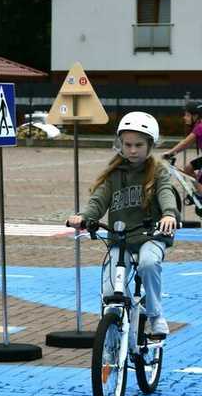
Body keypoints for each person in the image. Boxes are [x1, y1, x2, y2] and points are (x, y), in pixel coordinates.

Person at [67, 111, 177, 337]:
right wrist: (84, 217)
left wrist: (168, 215)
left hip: (151, 236)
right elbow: (98, 200)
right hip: (121, 240)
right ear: (120, 144)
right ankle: (119, 327)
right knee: (110, 289)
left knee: (147, 263)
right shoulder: (114, 174)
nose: (133, 150)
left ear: (150, 145)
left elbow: (166, 193)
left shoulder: (158, 171)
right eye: (127, 144)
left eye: (138, 144)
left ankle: (155, 315)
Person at [162, 100, 202, 188]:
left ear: (195, 116)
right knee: (188, 168)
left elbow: (185, 143)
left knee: (199, 179)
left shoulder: (200, 127)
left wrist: (170, 153)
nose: (184, 117)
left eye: (187, 115)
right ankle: (199, 194)